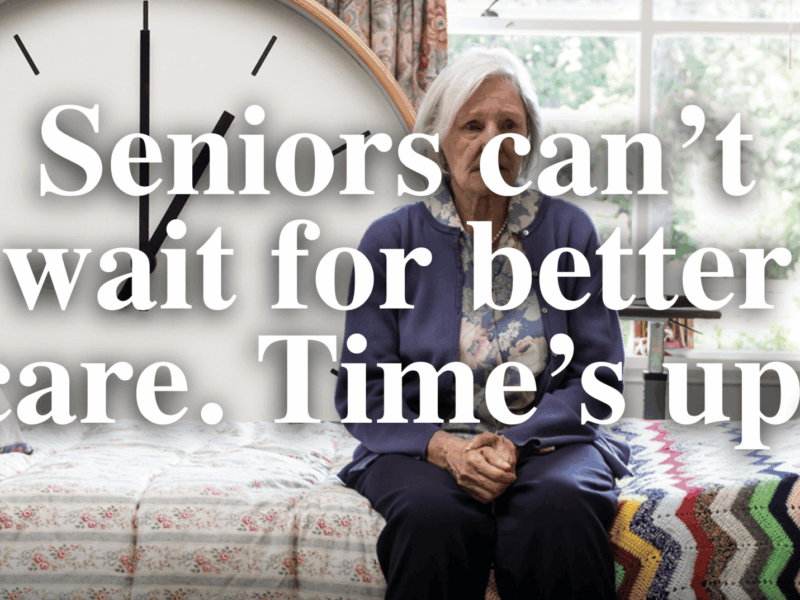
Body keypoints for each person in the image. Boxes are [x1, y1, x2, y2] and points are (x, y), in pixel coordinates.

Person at [334, 46, 631, 600]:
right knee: (432, 519)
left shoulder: (570, 231)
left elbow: (599, 378)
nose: (493, 139)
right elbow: (363, 391)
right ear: (438, 143)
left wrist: (514, 443)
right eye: (473, 125)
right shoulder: (389, 241)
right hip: (422, 446)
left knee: (559, 508)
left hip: (550, 443)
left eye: (509, 125)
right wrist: (446, 448)